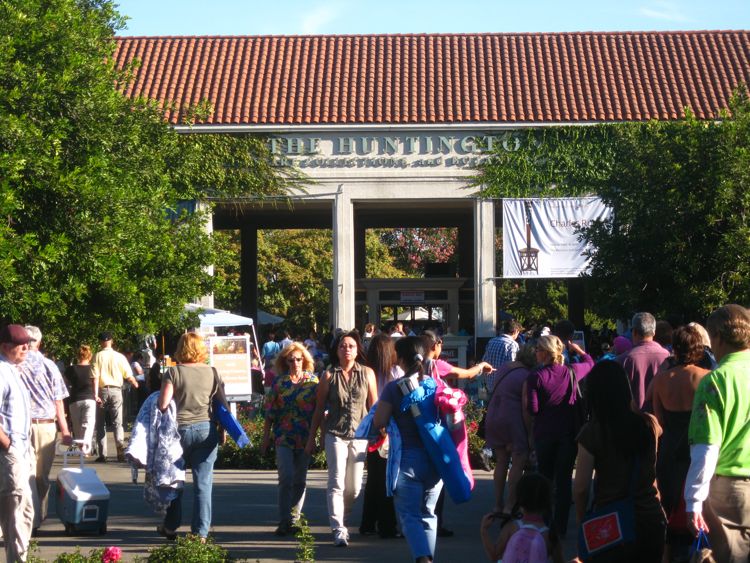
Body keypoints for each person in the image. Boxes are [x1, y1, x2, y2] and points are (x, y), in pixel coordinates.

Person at [573, 360, 666, 562]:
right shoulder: (649, 423)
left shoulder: (592, 432)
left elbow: (580, 487)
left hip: (611, 523)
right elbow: (654, 467)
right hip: (650, 516)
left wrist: (583, 520)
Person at [685, 304, 750, 562]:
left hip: (731, 491)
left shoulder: (716, 381)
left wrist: (693, 501)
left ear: (719, 338)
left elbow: (706, 447)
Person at [373, 336, 443, 563]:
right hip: (436, 458)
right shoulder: (436, 385)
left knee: (410, 516)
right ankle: (428, 557)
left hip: (407, 460)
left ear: (400, 358)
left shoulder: (394, 388)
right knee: (428, 514)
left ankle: (423, 558)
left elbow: (379, 421)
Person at [305, 330, 378, 547]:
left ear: (357, 350)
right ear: (336, 350)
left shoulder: (367, 373)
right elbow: (319, 409)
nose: (347, 349)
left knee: (354, 487)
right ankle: (338, 528)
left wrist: (383, 432)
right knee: (335, 482)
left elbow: (373, 407)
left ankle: (343, 514)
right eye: (342, 346)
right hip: (335, 434)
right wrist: (312, 438)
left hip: (360, 435)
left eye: (351, 346)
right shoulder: (328, 375)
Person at [422, 329, 493, 536]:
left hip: (418, 426)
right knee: (440, 472)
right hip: (438, 427)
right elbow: (467, 374)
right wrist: (481, 366)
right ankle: (436, 520)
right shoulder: (437, 365)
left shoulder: (412, 367)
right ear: (436, 345)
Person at [158, 332, 227, 541]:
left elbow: (162, 404)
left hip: (178, 432)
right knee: (203, 484)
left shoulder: (173, 372)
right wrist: (223, 431)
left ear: (181, 348)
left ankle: (170, 526)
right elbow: (222, 405)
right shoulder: (213, 372)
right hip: (206, 430)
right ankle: (200, 533)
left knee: (175, 480)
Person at [651, 326, 709, 558]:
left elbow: (658, 419)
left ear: (674, 349)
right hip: (696, 449)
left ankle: (666, 556)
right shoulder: (706, 378)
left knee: (668, 506)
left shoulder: (661, 380)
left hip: (669, 449)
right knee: (697, 508)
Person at [526, 334, 593, 537]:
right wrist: (579, 351)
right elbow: (590, 363)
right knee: (564, 481)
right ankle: (561, 526)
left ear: (545, 353)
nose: (535, 352)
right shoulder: (571, 372)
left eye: (537, 349)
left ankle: (545, 522)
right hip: (568, 434)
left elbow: (533, 409)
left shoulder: (535, 377)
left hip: (544, 433)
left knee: (545, 478)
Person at [261, 342, 319, 536]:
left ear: (305, 360)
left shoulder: (314, 382)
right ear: (285, 362)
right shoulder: (279, 383)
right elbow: (269, 412)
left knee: (300, 479)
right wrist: (265, 438)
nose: (295, 362)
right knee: (286, 477)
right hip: (283, 436)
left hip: (305, 436)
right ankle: (284, 519)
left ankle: (295, 519)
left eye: (299, 359)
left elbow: (320, 411)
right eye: (291, 359)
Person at [19, 325, 72, 530]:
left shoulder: (13, 364)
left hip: (20, 426)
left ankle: (20, 516)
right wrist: (65, 431)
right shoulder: (49, 365)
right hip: (45, 426)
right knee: (41, 476)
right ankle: (36, 519)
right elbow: (58, 401)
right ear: (39, 343)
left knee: (21, 473)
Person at [484, 343, 536, 514]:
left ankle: (497, 504)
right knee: (518, 461)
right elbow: (526, 406)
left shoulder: (505, 367)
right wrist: (530, 435)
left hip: (494, 415)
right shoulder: (527, 375)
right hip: (512, 418)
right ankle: (510, 504)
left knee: (501, 462)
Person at [359, 333, 402, 539]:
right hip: (390, 430)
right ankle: (387, 525)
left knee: (374, 479)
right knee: (387, 479)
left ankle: (367, 522)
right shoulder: (395, 373)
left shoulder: (366, 372)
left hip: (370, 431)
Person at [0, 325, 36, 563]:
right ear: (5, 347)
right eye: (20, 343)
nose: (26, 347)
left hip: (21, 449)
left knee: (20, 510)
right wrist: (8, 444)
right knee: (18, 511)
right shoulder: (2, 371)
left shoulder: (13, 369)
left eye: (28, 342)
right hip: (10, 450)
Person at [480, 473, 564, 563]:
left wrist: (484, 531)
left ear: (519, 499)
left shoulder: (511, 527)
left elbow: (494, 556)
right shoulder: (550, 535)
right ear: (547, 502)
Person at [92, 331, 139, 462]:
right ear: (112, 341)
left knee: (101, 423)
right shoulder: (120, 357)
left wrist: (95, 394)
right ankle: (120, 451)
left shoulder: (97, 356)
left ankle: (103, 454)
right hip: (116, 390)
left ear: (101, 342)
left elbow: (95, 378)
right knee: (118, 422)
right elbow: (128, 375)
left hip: (102, 390)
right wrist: (135, 383)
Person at [617, 312, 670, 410]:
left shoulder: (623, 360)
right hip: (660, 419)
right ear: (654, 332)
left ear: (634, 332)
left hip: (632, 419)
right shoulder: (667, 357)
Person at [63, 345, 97, 454]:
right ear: (90, 356)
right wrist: (96, 395)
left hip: (75, 399)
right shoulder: (92, 368)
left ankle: (81, 446)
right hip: (89, 398)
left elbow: (64, 383)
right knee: (88, 423)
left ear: (78, 355)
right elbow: (95, 381)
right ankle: (85, 446)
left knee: (77, 425)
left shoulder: (71, 369)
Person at [483, 319, 522, 390]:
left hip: (490, 384)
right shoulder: (512, 344)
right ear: (516, 331)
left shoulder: (491, 341)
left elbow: (484, 360)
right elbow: (513, 365)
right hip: (504, 384)